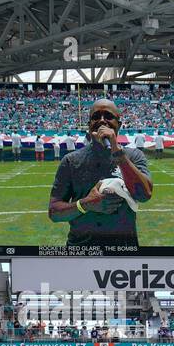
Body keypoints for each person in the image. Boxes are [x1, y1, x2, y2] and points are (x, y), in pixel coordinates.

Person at [47, 98, 153, 248]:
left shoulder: (134, 156)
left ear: (119, 125)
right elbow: (54, 212)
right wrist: (86, 204)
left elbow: (145, 195)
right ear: (89, 125)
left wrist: (118, 154)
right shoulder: (71, 161)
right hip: (81, 250)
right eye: (96, 117)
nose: (102, 121)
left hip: (124, 250)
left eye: (108, 116)